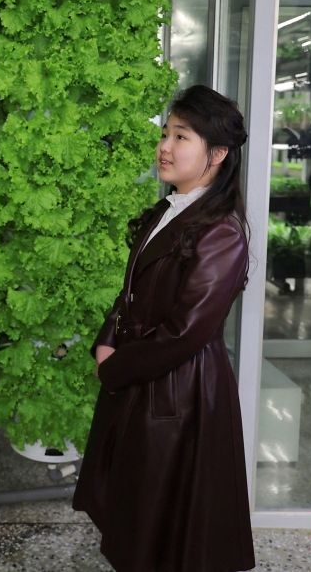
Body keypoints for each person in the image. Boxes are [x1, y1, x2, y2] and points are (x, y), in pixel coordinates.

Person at [73, 85, 256, 572]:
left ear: (216, 154)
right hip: (142, 376)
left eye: (182, 137)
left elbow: (186, 331)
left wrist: (114, 369)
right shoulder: (169, 210)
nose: (165, 147)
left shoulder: (222, 231)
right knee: (136, 512)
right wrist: (106, 340)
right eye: (166, 133)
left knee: (167, 526)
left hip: (181, 392)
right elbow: (129, 292)